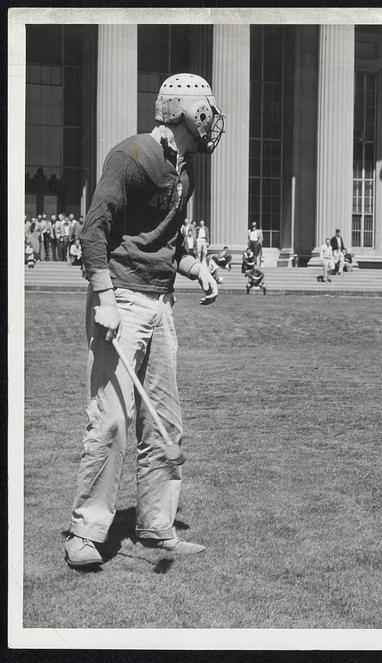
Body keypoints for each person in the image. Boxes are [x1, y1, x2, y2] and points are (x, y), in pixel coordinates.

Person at [63, 72, 224, 568]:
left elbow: (168, 245)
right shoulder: (131, 156)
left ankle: (156, 527)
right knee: (112, 418)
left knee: (164, 422)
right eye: (207, 110)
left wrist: (197, 269)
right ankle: (85, 533)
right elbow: (94, 230)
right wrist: (104, 298)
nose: (212, 121)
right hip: (120, 301)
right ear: (186, 112)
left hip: (160, 305)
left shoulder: (184, 174)